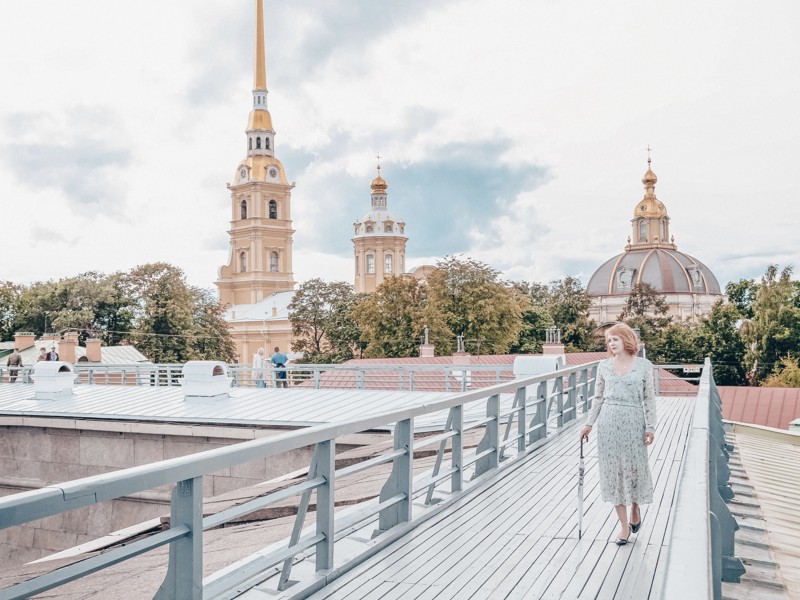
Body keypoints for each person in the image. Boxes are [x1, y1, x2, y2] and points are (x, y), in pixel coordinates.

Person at [579, 323, 656, 546]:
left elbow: (649, 398)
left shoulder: (643, 366)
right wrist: (589, 424)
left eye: (615, 339)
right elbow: (598, 398)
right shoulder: (603, 366)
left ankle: (635, 507)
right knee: (613, 474)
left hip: (634, 422)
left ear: (626, 340)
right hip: (609, 422)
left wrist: (651, 427)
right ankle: (623, 526)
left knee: (634, 470)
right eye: (609, 340)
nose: (611, 344)